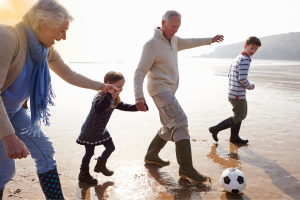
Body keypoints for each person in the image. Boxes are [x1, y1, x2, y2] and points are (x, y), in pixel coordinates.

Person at [0, 0, 118, 199]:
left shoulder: (44, 50)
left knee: (45, 152)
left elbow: (70, 75)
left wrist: (102, 86)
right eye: (62, 31)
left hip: (16, 111)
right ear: (44, 24)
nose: (64, 37)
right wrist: (9, 136)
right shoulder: (7, 38)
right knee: (5, 171)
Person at [134, 10, 224, 184]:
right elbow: (139, 72)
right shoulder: (152, 44)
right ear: (163, 22)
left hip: (168, 90)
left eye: (178, 27)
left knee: (170, 126)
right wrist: (139, 96)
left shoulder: (174, 40)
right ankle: (186, 168)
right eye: (173, 26)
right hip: (160, 89)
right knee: (180, 121)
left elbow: (191, 41)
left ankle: (151, 155)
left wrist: (210, 40)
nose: (175, 30)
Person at [76, 71, 148, 185]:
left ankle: (101, 165)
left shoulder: (114, 98)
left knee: (110, 147)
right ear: (109, 84)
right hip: (90, 129)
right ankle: (83, 175)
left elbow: (123, 106)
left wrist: (138, 107)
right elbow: (98, 109)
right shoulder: (100, 95)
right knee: (89, 153)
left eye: (122, 87)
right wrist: (108, 95)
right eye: (118, 87)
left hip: (101, 129)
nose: (120, 90)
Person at [209, 36, 261, 144]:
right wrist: (250, 86)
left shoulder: (237, 58)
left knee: (238, 114)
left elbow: (230, 74)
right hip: (238, 94)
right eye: (252, 48)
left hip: (232, 92)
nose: (253, 51)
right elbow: (242, 78)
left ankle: (234, 137)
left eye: (256, 49)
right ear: (245, 46)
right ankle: (215, 129)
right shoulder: (245, 60)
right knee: (241, 115)